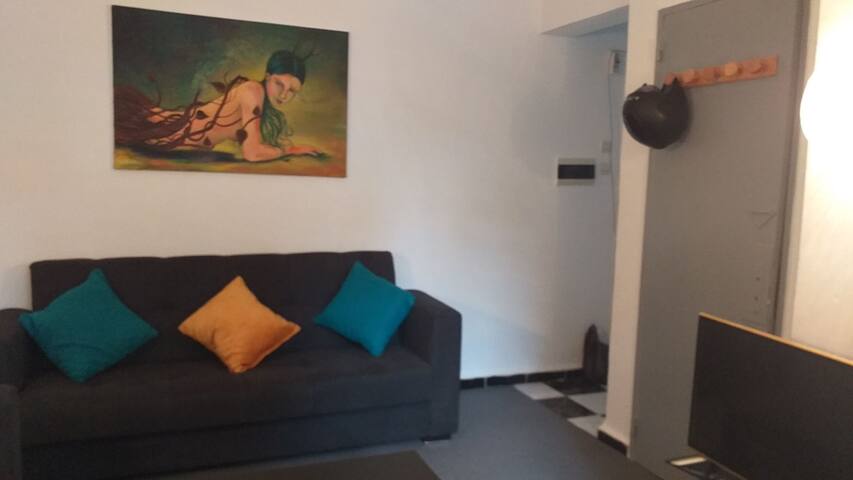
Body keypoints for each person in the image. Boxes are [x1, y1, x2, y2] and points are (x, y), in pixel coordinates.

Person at [114, 49, 320, 161]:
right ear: (267, 76)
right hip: (164, 131)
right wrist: (289, 151)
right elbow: (253, 153)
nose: (284, 94)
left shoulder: (258, 98)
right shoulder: (253, 92)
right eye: (279, 84)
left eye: (292, 90)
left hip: (167, 129)